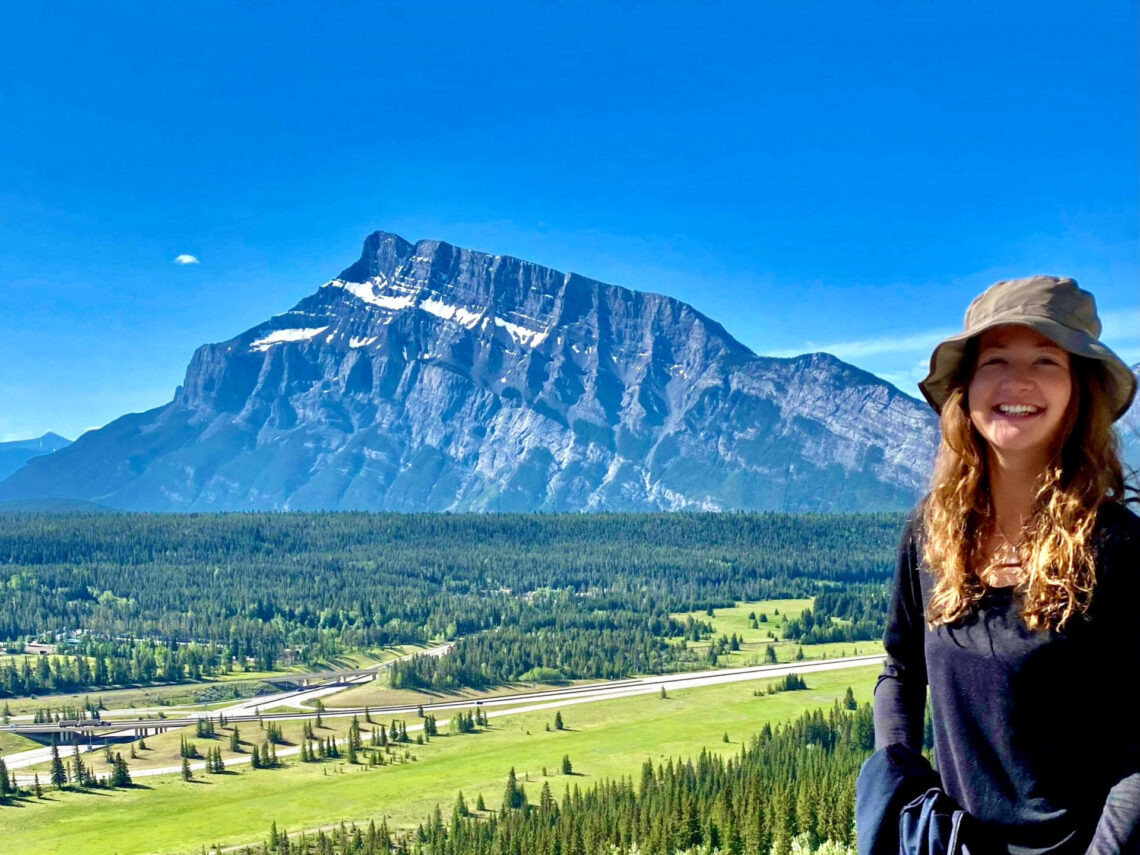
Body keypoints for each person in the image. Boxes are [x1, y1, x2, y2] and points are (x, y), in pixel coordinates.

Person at [872, 275, 1140, 854]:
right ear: (966, 388)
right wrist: (899, 787)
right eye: (995, 360)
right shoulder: (931, 532)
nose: (1017, 381)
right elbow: (900, 669)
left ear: (1079, 391)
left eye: (1047, 361)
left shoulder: (1119, 549)